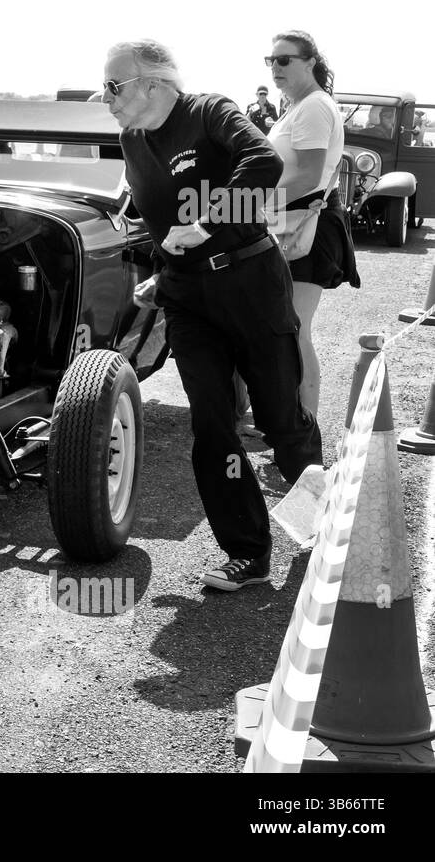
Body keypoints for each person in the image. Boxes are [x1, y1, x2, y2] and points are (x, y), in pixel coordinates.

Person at [103, 38, 322, 591]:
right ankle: (247, 553)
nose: (106, 99)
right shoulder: (131, 141)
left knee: (279, 418)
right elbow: (158, 220)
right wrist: (163, 271)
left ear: (154, 84)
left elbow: (265, 161)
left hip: (250, 282)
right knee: (211, 425)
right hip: (188, 299)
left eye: (113, 86)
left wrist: (206, 220)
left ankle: (324, 521)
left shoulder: (208, 111)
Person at [263, 30, 359, 420]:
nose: (275, 68)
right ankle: (290, 422)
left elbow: (307, 175)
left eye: (284, 60)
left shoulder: (314, 107)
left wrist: (245, 205)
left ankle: (306, 428)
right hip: (293, 223)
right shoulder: (299, 106)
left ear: (310, 63)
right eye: (270, 61)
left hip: (307, 225)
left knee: (296, 333)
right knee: (285, 332)